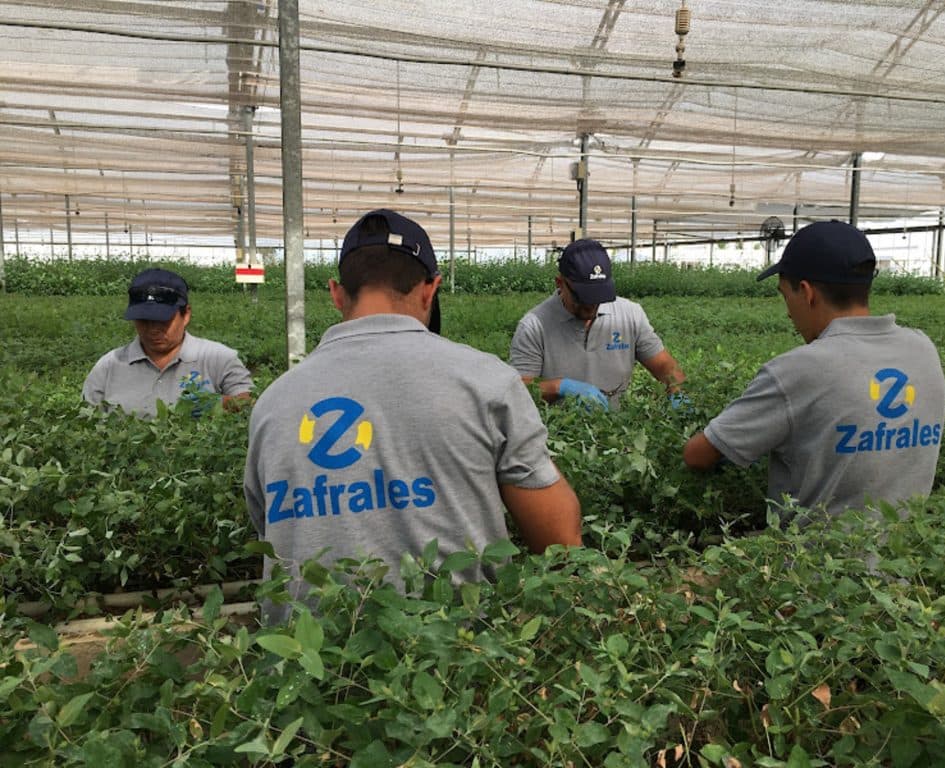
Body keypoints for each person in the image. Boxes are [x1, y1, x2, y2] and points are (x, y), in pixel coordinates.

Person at [244, 209, 582, 622]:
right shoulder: (485, 382)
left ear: (335, 293)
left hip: (301, 671)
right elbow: (560, 542)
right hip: (451, 668)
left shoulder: (272, 403)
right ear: (430, 289)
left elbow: (271, 533)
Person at [683, 220, 945, 522]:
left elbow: (698, 455)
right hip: (911, 561)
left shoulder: (797, 370)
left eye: (785, 296)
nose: (787, 312)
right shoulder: (923, 349)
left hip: (817, 565)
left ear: (807, 292)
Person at [509, 238, 687, 410]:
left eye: (598, 296)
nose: (590, 306)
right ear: (560, 284)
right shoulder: (534, 326)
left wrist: (676, 391)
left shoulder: (630, 315)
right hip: (557, 431)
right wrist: (559, 387)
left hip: (613, 431)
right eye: (582, 298)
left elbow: (665, 366)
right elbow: (516, 390)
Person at [82, 267, 253, 418]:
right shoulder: (109, 366)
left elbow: (250, 403)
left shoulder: (219, 358)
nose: (153, 329)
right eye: (144, 320)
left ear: (185, 315)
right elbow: (86, 420)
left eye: (162, 320)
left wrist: (219, 403)